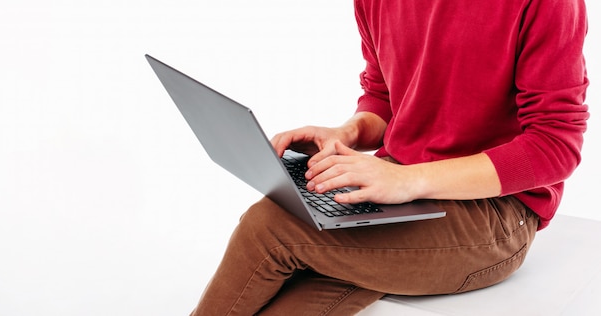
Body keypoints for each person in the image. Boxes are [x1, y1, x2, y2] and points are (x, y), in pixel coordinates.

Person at [191, 0, 589, 315]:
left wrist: (407, 180)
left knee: (270, 225)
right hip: (401, 190)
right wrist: (347, 133)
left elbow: (554, 145)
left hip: (496, 213)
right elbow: (385, 96)